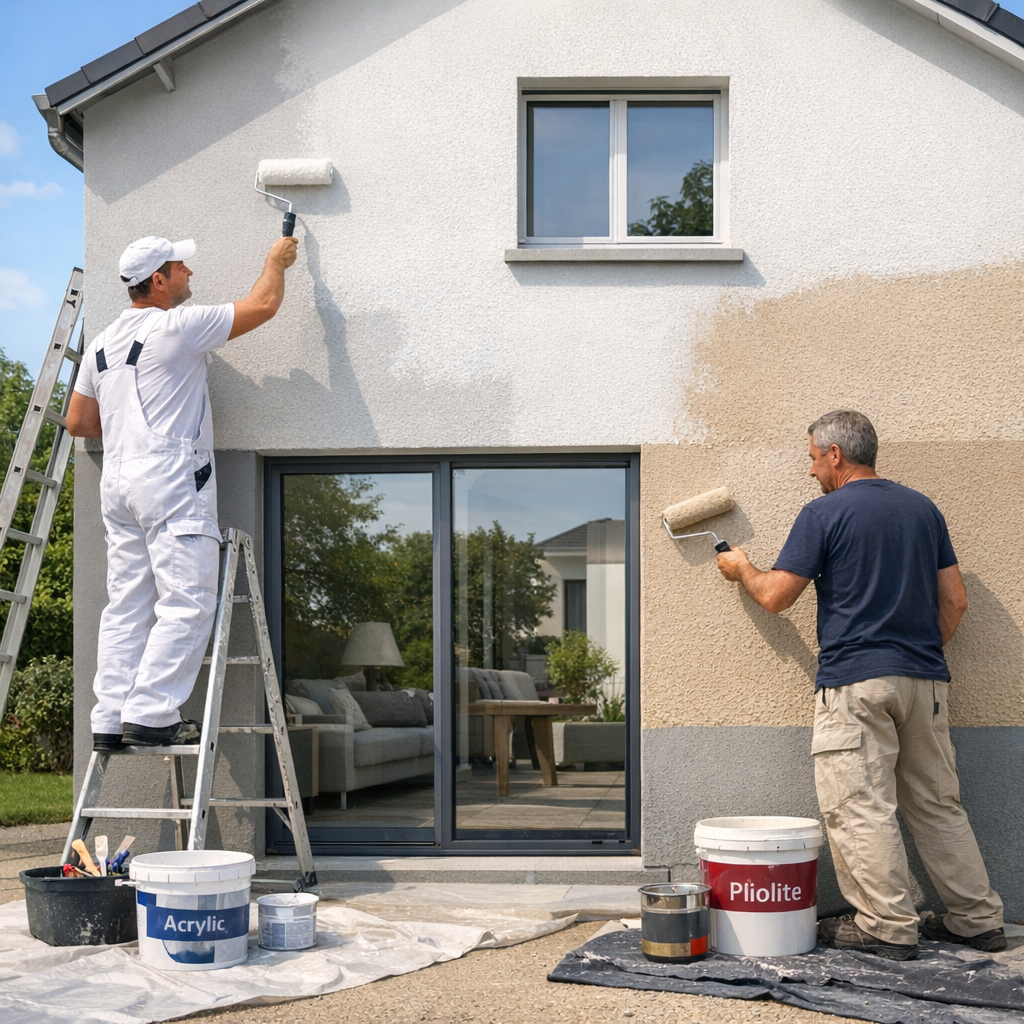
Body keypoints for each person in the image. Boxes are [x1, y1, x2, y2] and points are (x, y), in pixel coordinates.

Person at [716, 410, 1005, 961]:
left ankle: (887, 928)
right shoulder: (923, 510)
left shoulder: (824, 512)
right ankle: (977, 922)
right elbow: (956, 601)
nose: (809, 471)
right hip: (925, 682)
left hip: (856, 685)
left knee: (858, 806)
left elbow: (778, 596)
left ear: (835, 455)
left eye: (810, 458)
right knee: (938, 805)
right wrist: (912, 656)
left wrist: (743, 569)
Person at [67, 234, 298, 750]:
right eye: (180, 267)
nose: (189, 273)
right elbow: (263, 304)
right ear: (157, 281)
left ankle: (109, 718)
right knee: (189, 602)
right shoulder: (176, 326)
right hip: (169, 482)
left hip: (120, 485)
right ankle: (150, 712)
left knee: (126, 606)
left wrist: (133, 426)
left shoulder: (100, 346)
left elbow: (80, 422)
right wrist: (274, 260)